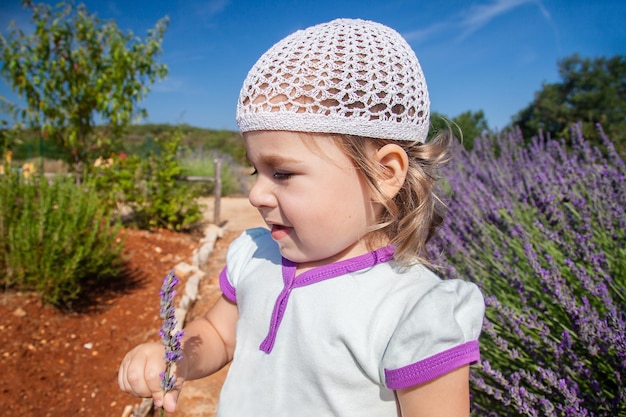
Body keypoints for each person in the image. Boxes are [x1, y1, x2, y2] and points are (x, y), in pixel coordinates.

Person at [118, 18, 485, 416]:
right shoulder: (256, 259)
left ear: (383, 175)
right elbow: (219, 336)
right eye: (255, 170)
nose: (257, 193)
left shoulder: (411, 311)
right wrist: (176, 360)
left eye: (282, 173)